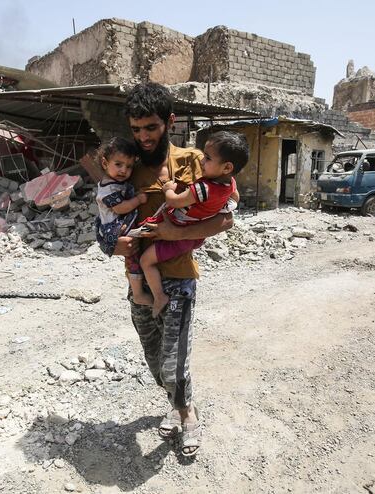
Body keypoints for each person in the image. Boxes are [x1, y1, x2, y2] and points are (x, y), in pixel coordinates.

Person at [113, 82, 235, 456]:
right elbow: (106, 211)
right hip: (139, 282)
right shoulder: (126, 164)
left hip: (179, 277)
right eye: (136, 129)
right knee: (154, 358)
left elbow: (227, 217)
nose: (144, 137)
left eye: (150, 127)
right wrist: (111, 244)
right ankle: (176, 404)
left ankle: (188, 415)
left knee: (174, 361)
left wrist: (170, 231)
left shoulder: (196, 161)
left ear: (169, 121)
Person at [139, 131, 246, 317]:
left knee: (145, 261)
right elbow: (234, 200)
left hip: (179, 235)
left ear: (227, 167)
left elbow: (174, 201)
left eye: (208, 158)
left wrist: (168, 189)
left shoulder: (203, 188)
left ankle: (159, 297)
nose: (202, 162)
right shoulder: (230, 184)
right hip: (194, 236)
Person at [93, 137, 152, 305]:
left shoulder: (116, 182)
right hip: (114, 229)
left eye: (129, 166)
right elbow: (120, 208)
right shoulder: (107, 190)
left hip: (121, 224)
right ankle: (139, 293)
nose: (123, 170)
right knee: (133, 260)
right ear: (105, 163)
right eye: (118, 164)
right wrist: (139, 200)